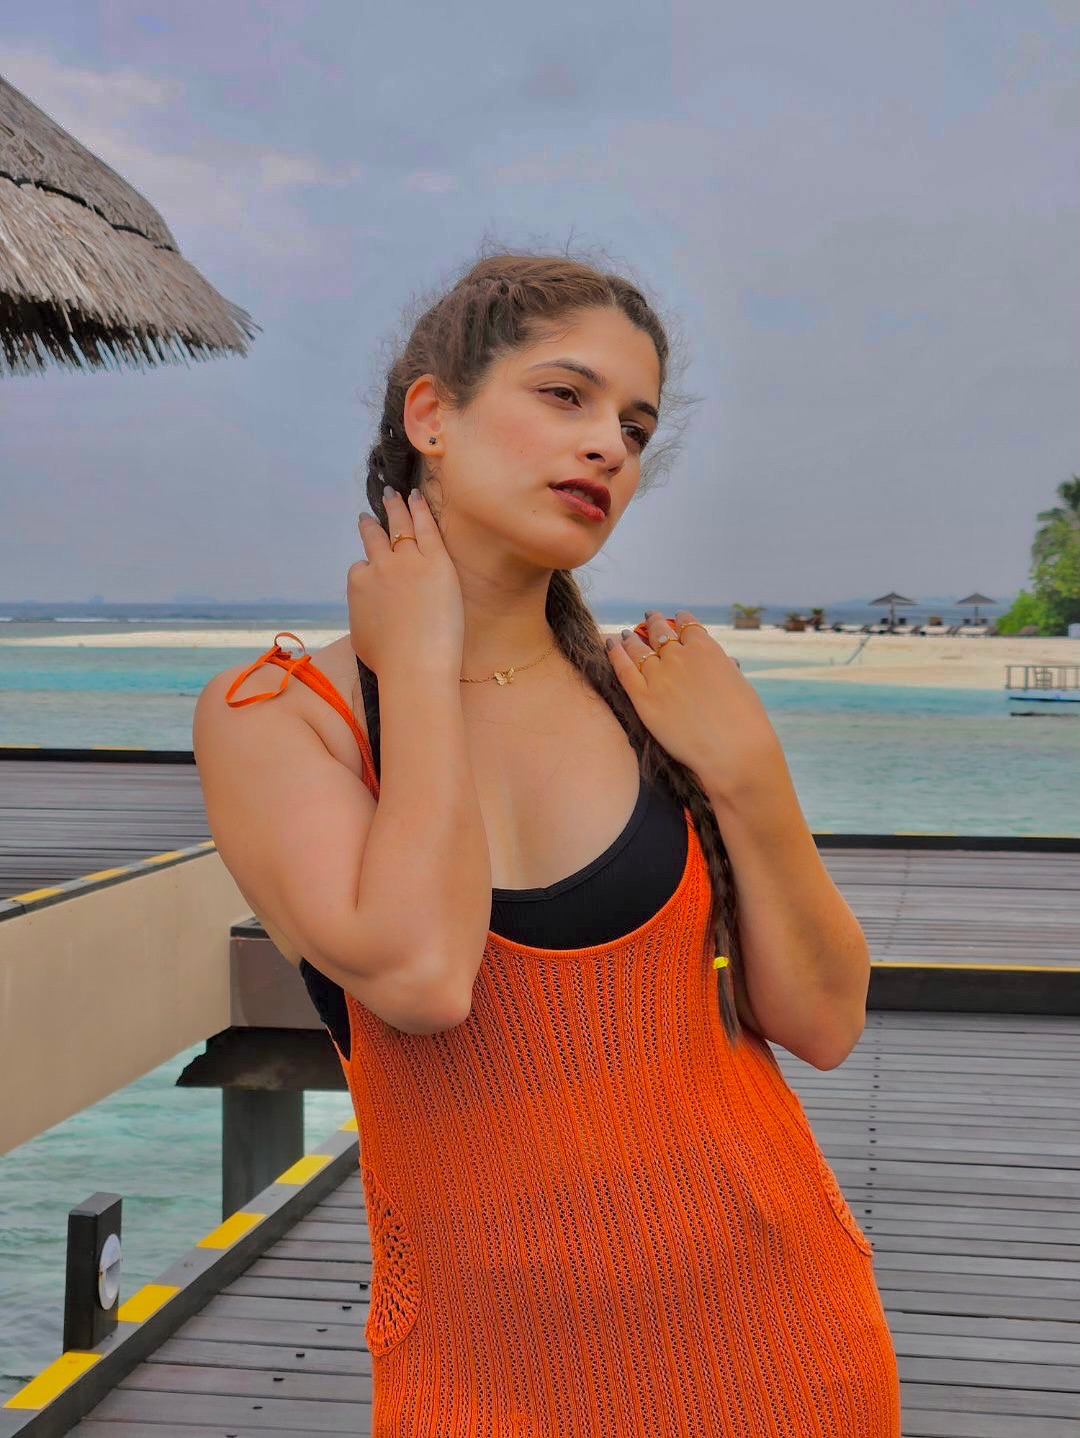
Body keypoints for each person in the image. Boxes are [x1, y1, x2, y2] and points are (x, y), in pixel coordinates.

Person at [193, 249, 901, 1436]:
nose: (609, 446)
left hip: (788, 1344)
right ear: (433, 416)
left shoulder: (653, 698)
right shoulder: (279, 717)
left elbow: (824, 1023)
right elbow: (422, 977)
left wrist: (751, 775)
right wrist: (420, 665)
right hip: (483, 1381)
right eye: (566, 396)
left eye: (635, 426)